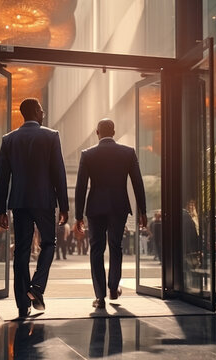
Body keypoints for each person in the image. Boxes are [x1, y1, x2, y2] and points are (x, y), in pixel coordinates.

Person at [0, 98, 69, 319]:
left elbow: (2, 177)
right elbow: (59, 173)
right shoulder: (51, 136)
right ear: (36, 111)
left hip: (19, 202)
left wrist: (1, 208)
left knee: (21, 250)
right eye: (41, 109)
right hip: (44, 200)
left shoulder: (9, 139)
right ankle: (36, 288)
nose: (44, 111)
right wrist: (64, 205)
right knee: (49, 242)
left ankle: (21, 304)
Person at [75, 118, 147, 309]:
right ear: (114, 132)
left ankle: (100, 297)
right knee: (116, 246)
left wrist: (78, 216)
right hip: (118, 206)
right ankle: (113, 288)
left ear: (97, 133)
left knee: (96, 250)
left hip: (95, 208)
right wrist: (143, 211)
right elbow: (137, 183)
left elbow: (81, 187)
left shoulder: (88, 154)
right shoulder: (128, 153)